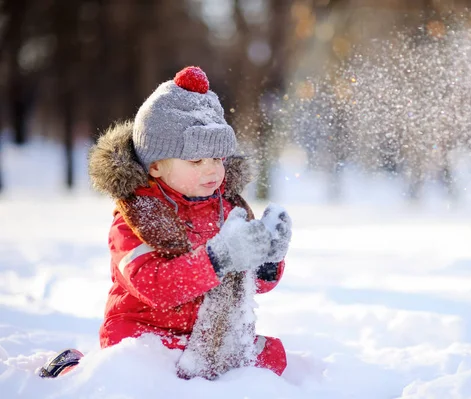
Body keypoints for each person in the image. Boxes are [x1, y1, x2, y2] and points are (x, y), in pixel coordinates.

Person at [38, 66, 291, 378]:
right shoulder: (136, 217)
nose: (211, 170)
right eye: (196, 160)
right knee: (143, 374)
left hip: (205, 338)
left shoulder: (225, 207)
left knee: (272, 359)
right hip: (145, 334)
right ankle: (76, 369)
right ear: (155, 166)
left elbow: (250, 284)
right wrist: (218, 258)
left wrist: (268, 259)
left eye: (217, 159)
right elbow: (154, 285)